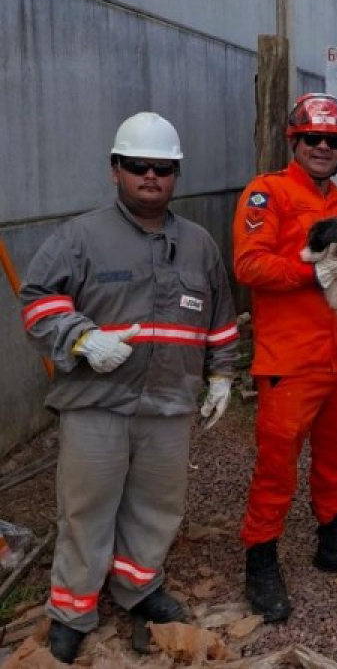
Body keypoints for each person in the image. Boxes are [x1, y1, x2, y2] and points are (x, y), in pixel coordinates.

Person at [19, 112, 239, 664]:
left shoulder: (198, 245)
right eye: (138, 165)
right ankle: (72, 610)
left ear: (176, 174)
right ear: (115, 169)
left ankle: (139, 588)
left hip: (168, 404)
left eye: (162, 168)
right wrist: (81, 337)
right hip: (97, 403)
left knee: (157, 506)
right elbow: (38, 300)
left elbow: (220, 319)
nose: (150, 176)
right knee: (85, 509)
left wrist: (221, 375)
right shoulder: (81, 237)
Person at [232, 93, 337, 624]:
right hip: (290, 358)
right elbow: (249, 266)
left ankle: (333, 539)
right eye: (313, 138)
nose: (323, 147)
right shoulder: (267, 193)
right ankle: (261, 558)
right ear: (294, 140)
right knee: (277, 462)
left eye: (334, 140)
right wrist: (312, 272)